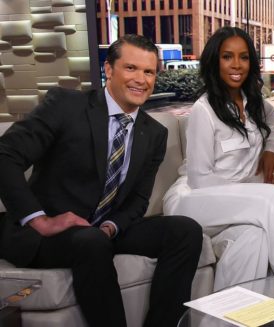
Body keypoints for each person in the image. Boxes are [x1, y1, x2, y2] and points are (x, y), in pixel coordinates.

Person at [0, 34, 203, 327]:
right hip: (50, 237)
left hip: (102, 232)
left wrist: (111, 226)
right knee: (90, 241)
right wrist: (41, 220)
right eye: (131, 68)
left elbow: (138, 200)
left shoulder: (154, 133)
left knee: (185, 231)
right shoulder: (67, 105)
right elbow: (5, 154)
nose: (141, 79)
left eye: (149, 72)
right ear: (109, 69)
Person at [163, 26, 274, 291]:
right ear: (214, 61)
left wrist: (271, 149)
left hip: (231, 207)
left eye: (243, 57)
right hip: (191, 201)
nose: (237, 65)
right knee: (273, 197)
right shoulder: (204, 109)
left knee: (253, 240)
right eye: (227, 56)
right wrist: (247, 197)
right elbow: (199, 179)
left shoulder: (254, 103)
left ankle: (224, 320)